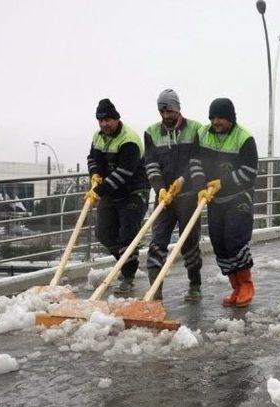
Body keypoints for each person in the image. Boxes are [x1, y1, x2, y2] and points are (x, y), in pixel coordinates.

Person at [194, 98, 258, 307]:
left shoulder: (244, 138)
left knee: (234, 239)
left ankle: (246, 285)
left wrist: (224, 183)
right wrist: (200, 186)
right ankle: (235, 287)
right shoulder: (202, 134)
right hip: (214, 199)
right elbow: (194, 162)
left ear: (230, 117)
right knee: (219, 242)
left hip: (239, 197)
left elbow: (249, 172)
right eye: (212, 117)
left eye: (220, 117)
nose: (216, 121)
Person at [144, 89, 204, 301]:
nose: (166, 116)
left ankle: (195, 284)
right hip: (164, 197)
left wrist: (187, 183)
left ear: (178, 109)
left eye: (170, 111)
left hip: (189, 196)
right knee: (157, 242)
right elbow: (151, 164)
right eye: (163, 112)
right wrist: (160, 188)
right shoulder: (151, 132)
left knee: (189, 242)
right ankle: (155, 292)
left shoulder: (196, 129)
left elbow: (197, 161)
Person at [85, 99, 150, 295]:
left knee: (127, 235)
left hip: (134, 191)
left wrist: (98, 191)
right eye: (101, 120)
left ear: (116, 119)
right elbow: (91, 158)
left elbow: (123, 173)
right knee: (103, 233)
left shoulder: (129, 140)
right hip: (111, 191)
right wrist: (94, 173)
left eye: (108, 120)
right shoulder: (98, 137)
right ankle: (126, 264)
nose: (104, 124)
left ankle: (128, 276)